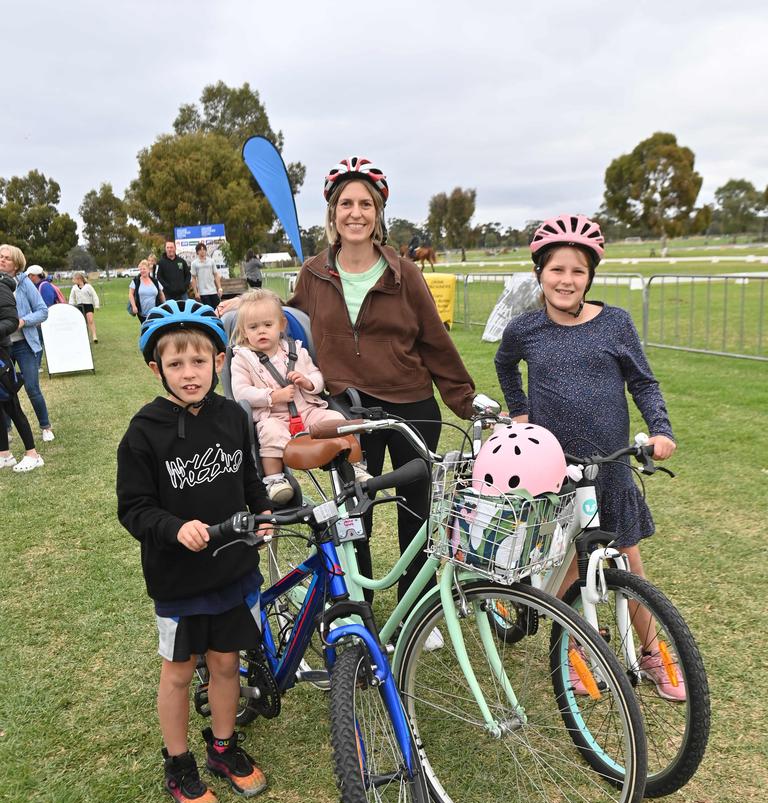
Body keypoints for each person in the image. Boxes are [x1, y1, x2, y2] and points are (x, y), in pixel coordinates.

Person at [494, 213, 684, 700]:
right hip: (554, 465)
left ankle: (651, 651)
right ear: (540, 273)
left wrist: (660, 428)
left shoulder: (615, 322)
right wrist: (519, 412)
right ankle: (576, 650)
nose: (566, 280)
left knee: (630, 566)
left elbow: (642, 381)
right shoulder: (527, 328)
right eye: (557, 270)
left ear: (590, 277)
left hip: (611, 465)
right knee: (566, 568)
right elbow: (504, 363)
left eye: (577, 271)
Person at [288, 156, 476, 613]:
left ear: (378, 214)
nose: (356, 212)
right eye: (346, 203)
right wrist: (240, 321)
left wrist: (469, 401)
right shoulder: (313, 273)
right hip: (347, 411)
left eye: (366, 204)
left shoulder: (404, 273)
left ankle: (415, 609)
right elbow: (289, 327)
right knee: (356, 514)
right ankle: (362, 606)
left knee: (418, 511)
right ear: (332, 213)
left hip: (411, 405)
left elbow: (435, 340)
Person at [116, 299, 272, 803]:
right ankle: (179, 762)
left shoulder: (233, 416)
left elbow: (250, 477)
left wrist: (263, 511)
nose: (189, 374)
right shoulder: (144, 432)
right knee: (180, 671)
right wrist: (173, 527)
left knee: (227, 661)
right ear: (155, 367)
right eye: (176, 363)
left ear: (220, 362)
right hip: (179, 579)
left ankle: (222, 747)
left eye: (199, 362)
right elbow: (134, 508)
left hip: (234, 567)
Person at [230, 289, 347, 504]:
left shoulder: (296, 350)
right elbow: (241, 393)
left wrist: (308, 381)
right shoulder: (243, 359)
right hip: (274, 416)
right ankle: (275, 480)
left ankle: (353, 467)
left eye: (268, 325)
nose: (261, 332)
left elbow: (317, 375)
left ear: (281, 325)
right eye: (253, 327)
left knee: (336, 421)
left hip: (308, 411)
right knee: (269, 432)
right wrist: (272, 396)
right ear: (244, 332)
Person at [0, 244, 54, 443]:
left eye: (7, 258)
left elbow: (43, 311)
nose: (2, 260)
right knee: (4, 391)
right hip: (3, 345)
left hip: (24, 344)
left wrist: (22, 322)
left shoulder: (25, 283)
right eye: (0, 256)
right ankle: (5, 430)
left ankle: (45, 426)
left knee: (32, 388)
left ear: (16, 265)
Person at [0, 270, 44, 472]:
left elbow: (10, 321)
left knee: (12, 405)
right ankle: (4, 454)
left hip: (2, 353)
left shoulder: (2, 286)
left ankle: (32, 454)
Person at [69, 272, 100, 344]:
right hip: (80, 306)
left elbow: (94, 295)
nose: (73, 281)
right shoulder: (74, 288)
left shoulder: (88, 286)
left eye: (74, 279)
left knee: (90, 320)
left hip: (88, 305)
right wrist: (71, 306)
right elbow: (72, 298)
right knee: (83, 322)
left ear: (79, 279)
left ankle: (94, 336)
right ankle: (86, 338)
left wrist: (97, 305)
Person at [190, 242, 223, 309]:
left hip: (213, 291)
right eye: (200, 250)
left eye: (204, 249)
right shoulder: (194, 263)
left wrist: (219, 288)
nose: (202, 251)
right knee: (208, 311)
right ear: (197, 252)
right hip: (203, 293)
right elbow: (193, 278)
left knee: (218, 309)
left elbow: (216, 275)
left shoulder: (211, 261)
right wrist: (196, 292)